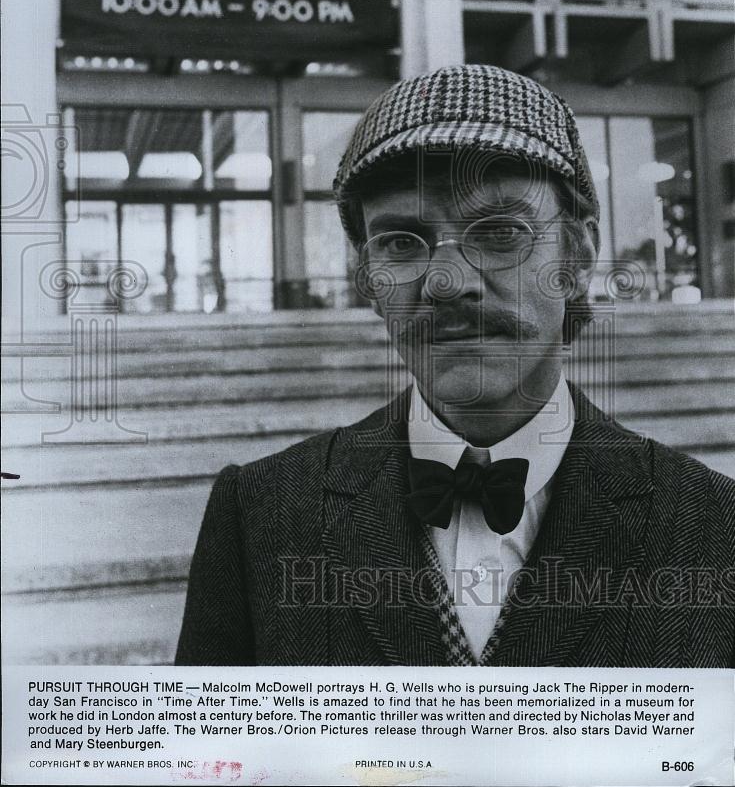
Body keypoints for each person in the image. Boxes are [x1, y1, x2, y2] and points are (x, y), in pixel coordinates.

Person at [176, 64, 734, 667]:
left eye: (500, 232)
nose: (447, 282)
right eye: (401, 242)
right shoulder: (259, 513)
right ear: (368, 277)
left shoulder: (713, 524)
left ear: (577, 258)